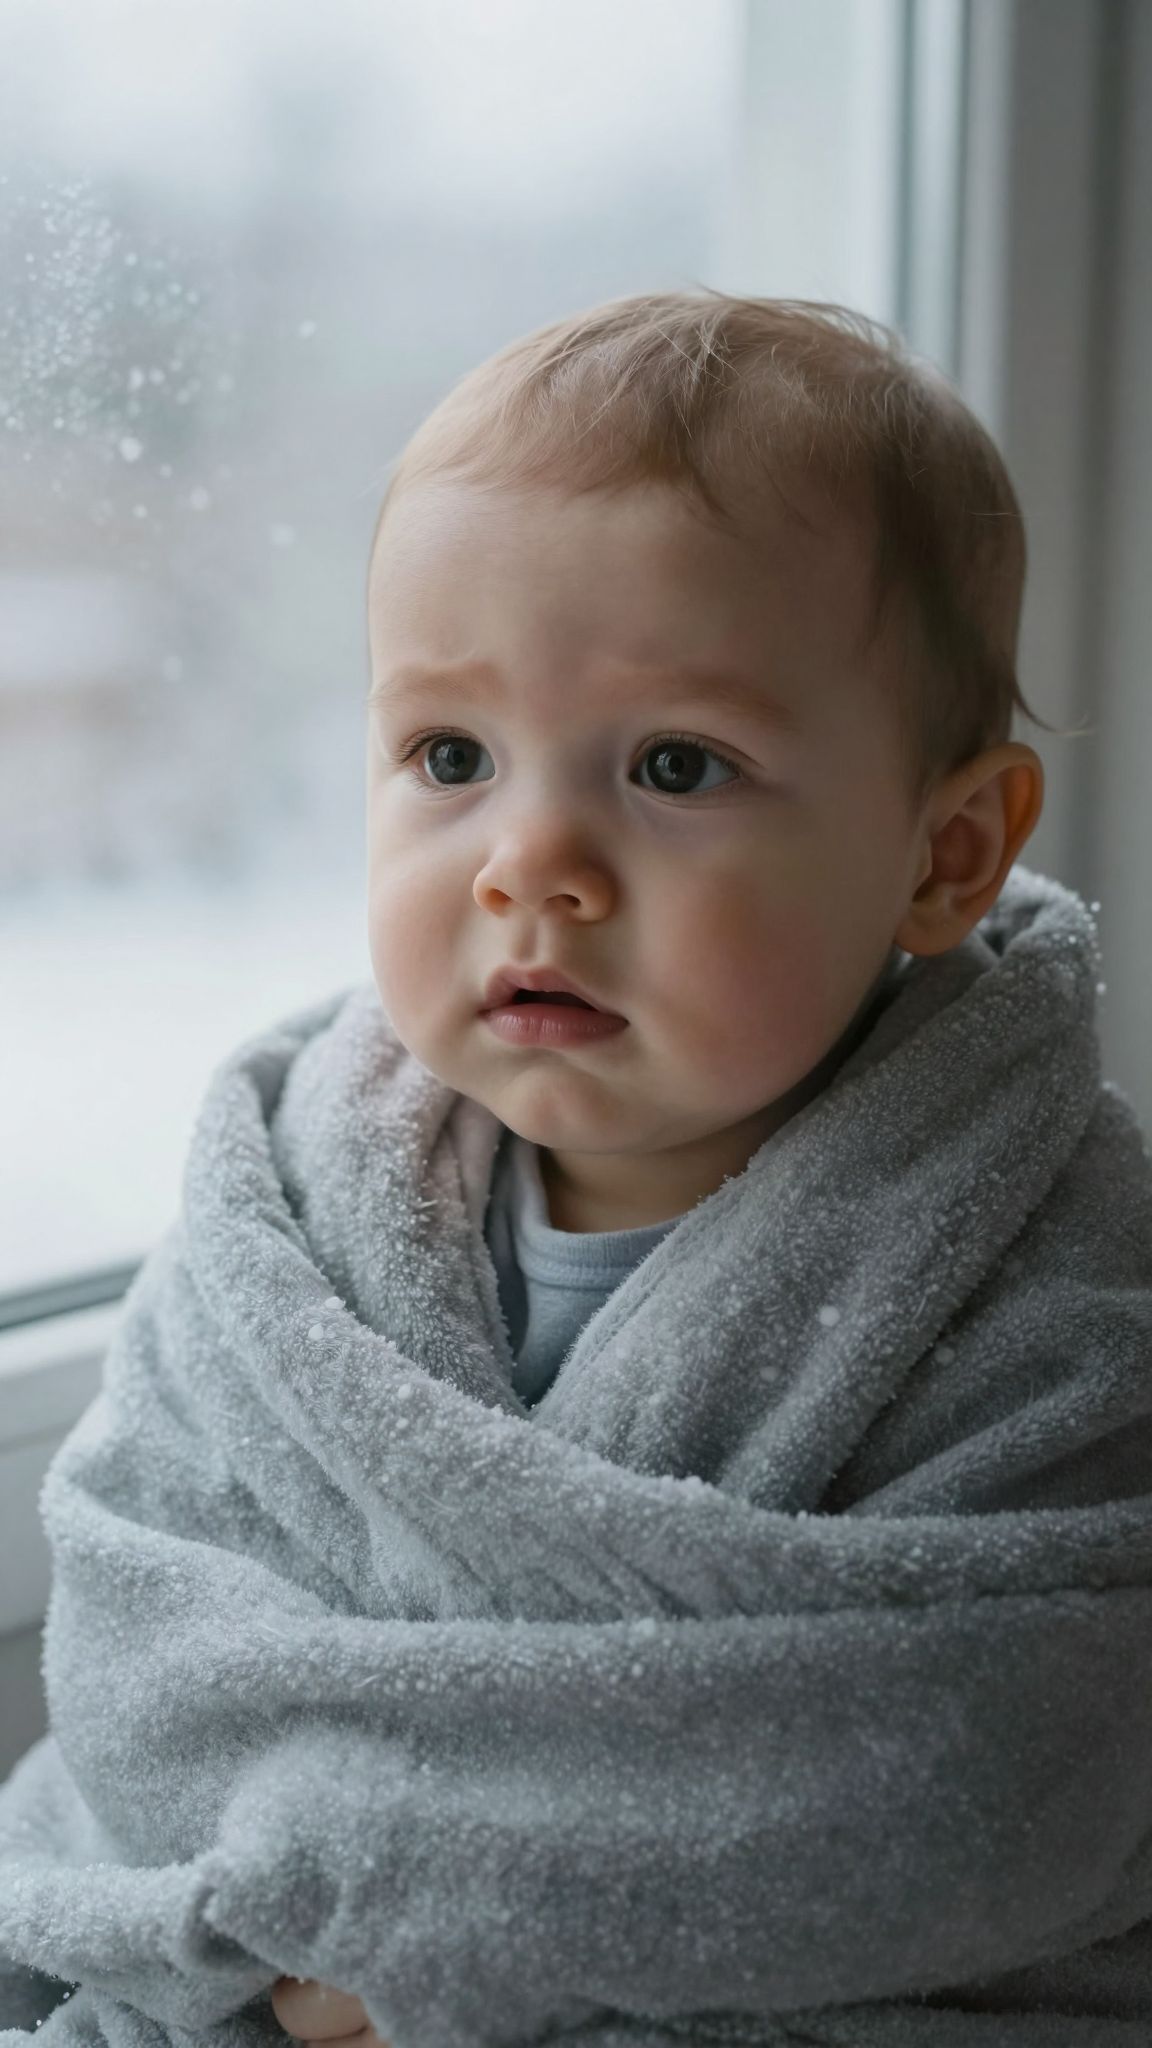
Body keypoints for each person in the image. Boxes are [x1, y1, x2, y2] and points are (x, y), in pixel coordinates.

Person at [268, 286, 1078, 2048]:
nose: (530, 864)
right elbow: (159, 1588)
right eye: (451, 756)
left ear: (945, 855)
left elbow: (994, 1758)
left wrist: (444, 1945)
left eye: (675, 765)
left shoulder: (1055, 1284)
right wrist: (263, 1877)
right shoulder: (299, 1218)